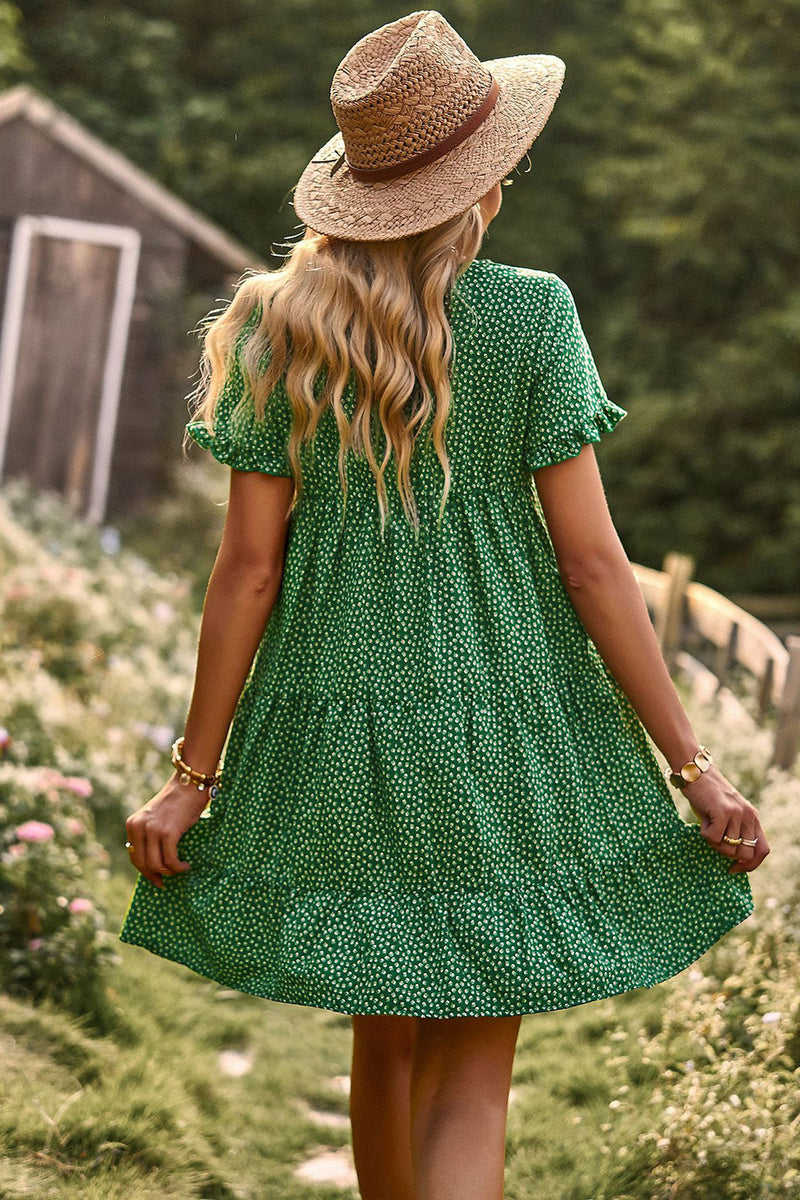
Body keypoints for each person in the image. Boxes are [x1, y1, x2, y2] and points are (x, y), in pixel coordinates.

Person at [119, 10, 770, 1199]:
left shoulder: (277, 326)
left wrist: (192, 773)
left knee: (383, 1036)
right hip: (510, 722)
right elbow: (592, 567)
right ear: (480, 178)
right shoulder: (532, 318)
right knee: (472, 1070)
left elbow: (247, 572)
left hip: (333, 735)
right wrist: (693, 766)